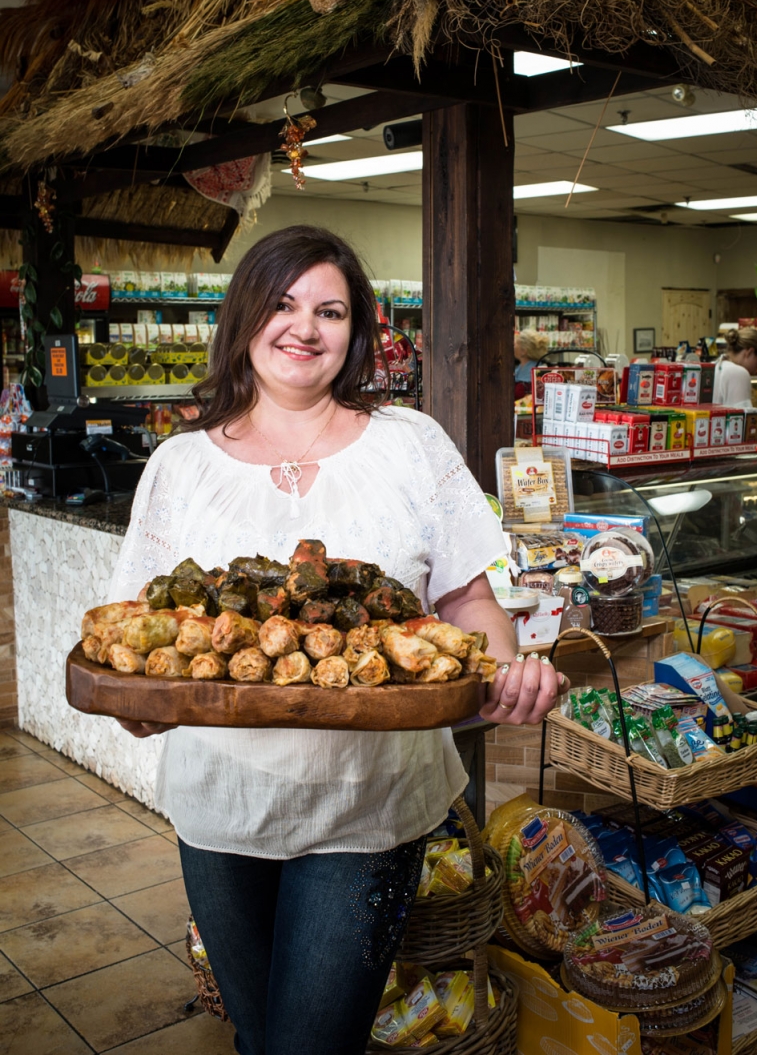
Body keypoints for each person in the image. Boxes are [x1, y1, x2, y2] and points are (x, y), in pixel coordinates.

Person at [111, 224, 568, 1055]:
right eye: (283, 304)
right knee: (257, 1035)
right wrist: (140, 708)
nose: (304, 328)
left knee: (314, 1044)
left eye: (330, 311)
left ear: (356, 334)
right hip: (221, 806)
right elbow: (140, 639)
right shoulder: (178, 466)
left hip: (370, 804)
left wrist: (508, 670)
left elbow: (467, 597)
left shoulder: (410, 443)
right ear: (245, 316)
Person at [713, 326, 757, 409]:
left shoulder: (715, 365)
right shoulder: (739, 373)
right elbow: (743, 418)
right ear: (749, 352)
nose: (756, 371)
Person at [514, 326, 549, 400]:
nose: (513, 346)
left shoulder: (538, 371)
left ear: (523, 351)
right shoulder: (519, 368)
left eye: (516, 344)